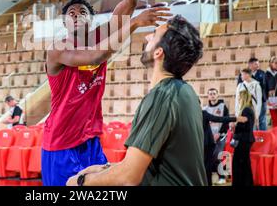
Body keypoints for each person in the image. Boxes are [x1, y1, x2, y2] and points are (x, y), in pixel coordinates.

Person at [42, 0, 158, 187]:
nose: (77, 14)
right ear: (64, 22)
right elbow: (95, 56)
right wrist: (133, 25)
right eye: (71, 12)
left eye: (83, 11)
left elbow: (129, 2)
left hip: (91, 139)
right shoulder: (57, 49)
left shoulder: (99, 34)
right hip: (60, 143)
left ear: (91, 19)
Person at [67, 15, 206, 186]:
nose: (147, 37)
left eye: (154, 34)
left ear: (158, 52)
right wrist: (106, 169)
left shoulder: (162, 96)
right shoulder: (186, 92)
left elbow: (128, 177)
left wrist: (81, 181)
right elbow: (154, 165)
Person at [202, 103, 246, 186]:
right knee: (206, 165)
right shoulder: (190, 115)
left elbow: (220, 119)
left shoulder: (203, 113)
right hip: (200, 144)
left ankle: (218, 179)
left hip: (208, 143)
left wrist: (235, 118)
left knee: (209, 164)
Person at [203, 88, 231, 185]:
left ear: (217, 95)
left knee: (217, 155)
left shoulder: (223, 106)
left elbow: (226, 121)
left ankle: (222, 177)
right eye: (210, 94)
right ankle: (213, 177)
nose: (212, 95)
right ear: (208, 96)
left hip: (220, 136)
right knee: (210, 157)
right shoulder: (205, 109)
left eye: (214, 93)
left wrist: (219, 133)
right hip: (209, 138)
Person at [231, 89, 254, 186]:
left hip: (243, 140)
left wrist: (235, 125)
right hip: (245, 139)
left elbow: (245, 126)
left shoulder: (246, 110)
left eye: (239, 97)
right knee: (243, 164)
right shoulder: (249, 109)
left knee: (240, 164)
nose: (238, 99)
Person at [237, 57, 267, 130]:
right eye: (256, 64)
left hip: (261, 99)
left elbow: (266, 86)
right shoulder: (243, 74)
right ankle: (252, 136)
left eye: (258, 64)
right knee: (251, 120)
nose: (258, 65)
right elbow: (239, 87)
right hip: (247, 102)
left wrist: (266, 97)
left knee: (262, 119)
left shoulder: (262, 73)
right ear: (250, 64)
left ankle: (263, 135)